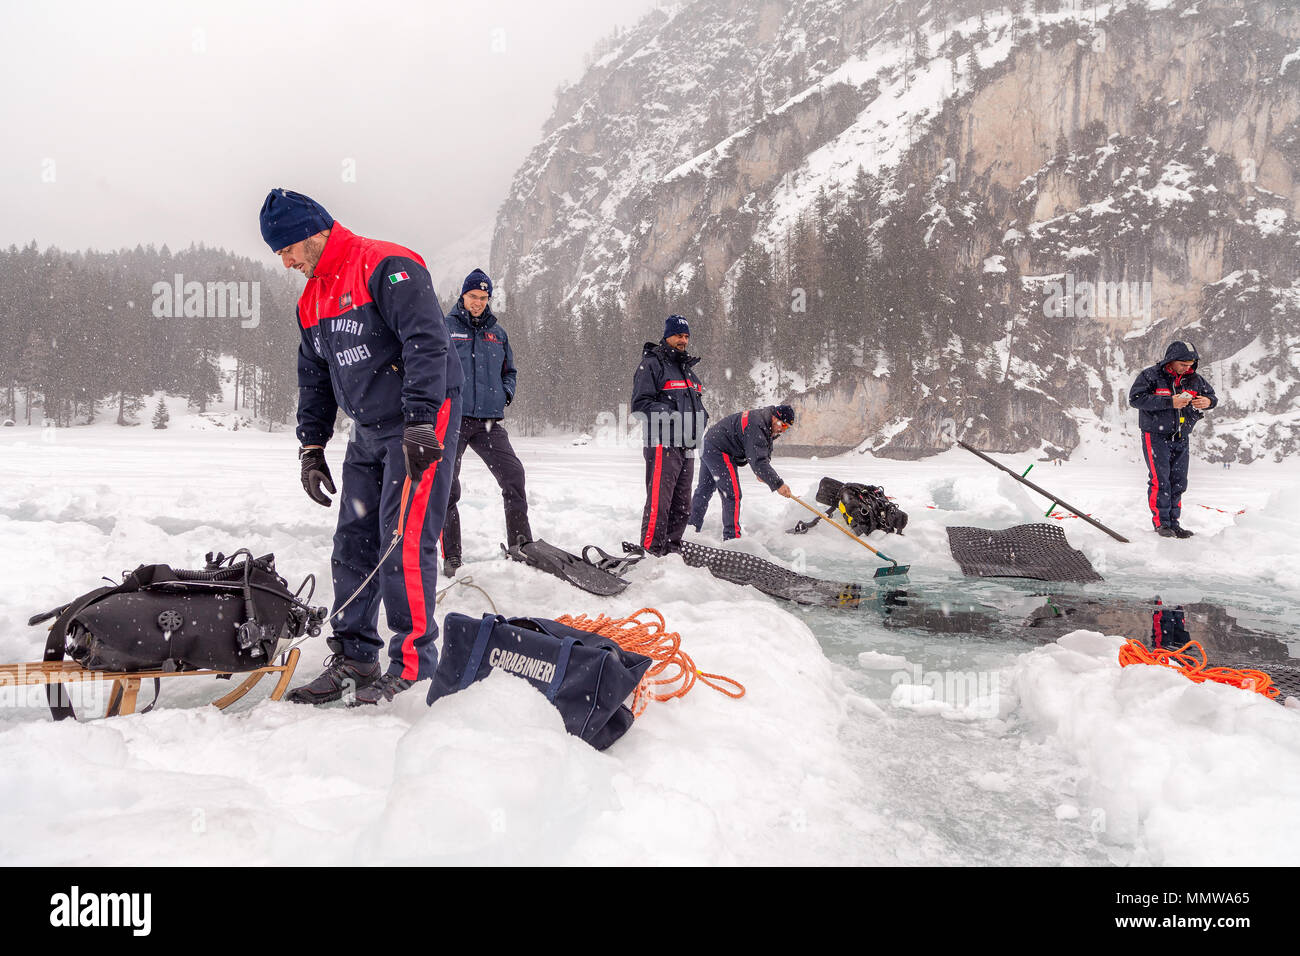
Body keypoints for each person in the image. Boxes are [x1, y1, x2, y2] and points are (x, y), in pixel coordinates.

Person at [260, 187, 464, 705]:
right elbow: (315, 377)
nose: (285, 262)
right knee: (353, 542)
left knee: (404, 539)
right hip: (368, 428)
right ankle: (355, 658)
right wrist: (311, 446)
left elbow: (427, 341)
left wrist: (421, 421)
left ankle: (414, 667)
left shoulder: (386, 265)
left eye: (287, 250)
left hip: (421, 416)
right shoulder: (311, 300)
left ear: (313, 234)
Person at [441, 268, 532, 575]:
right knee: (446, 487)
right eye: (473, 297)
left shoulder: (498, 332)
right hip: (453, 419)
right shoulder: (445, 327)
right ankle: (452, 556)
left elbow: (511, 371)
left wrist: (505, 394)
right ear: (462, 296)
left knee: (514, 476)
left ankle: (521, 545)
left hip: (489, 422)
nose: (478, 303)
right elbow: (429, 364)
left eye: (483, 298)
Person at [632, 314, 707, 555]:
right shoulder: (652, 364)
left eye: (686, 336)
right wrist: (673, 416)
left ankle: (671, 551)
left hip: (688, 446)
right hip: (663, 443)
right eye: (678, 335)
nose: (683, 340)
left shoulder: (687, 371)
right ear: (667, 336)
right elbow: (640, 404)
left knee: (683, 506)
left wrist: (702, 420)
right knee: (659, 504)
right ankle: (651, 552)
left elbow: (698, 406)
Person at [1128, 340, 1217, 538]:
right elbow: (1136, 399)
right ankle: (1162, 524)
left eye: (1191, 364)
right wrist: (1170, 402)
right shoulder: (1150, 376)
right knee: (1161, 480)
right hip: (1156, 436)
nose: (1188, 368)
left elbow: (1212, 397)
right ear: (1171, 361)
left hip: (1181, 436)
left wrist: (1208, 401)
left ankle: (1174, 523)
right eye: (1184, 364)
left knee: (1178, 481)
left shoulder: (1195, 379)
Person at [690, 405, 795, 540]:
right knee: (732, 494)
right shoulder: (757, 424)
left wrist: (762, 472)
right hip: (719, 449)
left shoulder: (764, 422)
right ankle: (732, 538)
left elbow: (764, 448)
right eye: (782, 425)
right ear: (775, 416)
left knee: (704, 490)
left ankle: (691, 527)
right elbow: (758, 461)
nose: (782, 429)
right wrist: (778, 484)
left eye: (786, 428)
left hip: (708, 444)